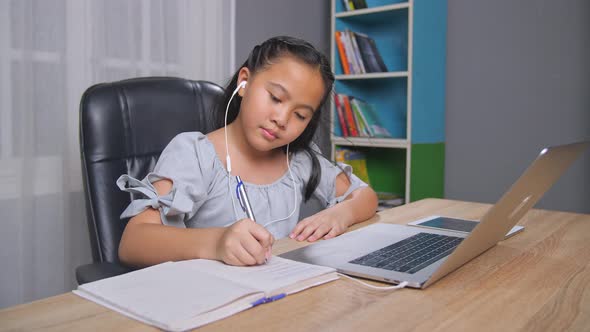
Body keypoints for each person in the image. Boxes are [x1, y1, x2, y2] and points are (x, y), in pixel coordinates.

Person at [117, 36, 378, 268]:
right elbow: (133, 242)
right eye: (275, 98)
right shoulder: (195, 155)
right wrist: (217, 242)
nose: (282, 119)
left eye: (300, 115)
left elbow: (365, 196)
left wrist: (342, 213)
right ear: (244, 82)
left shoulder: (299, 159)